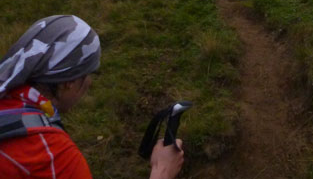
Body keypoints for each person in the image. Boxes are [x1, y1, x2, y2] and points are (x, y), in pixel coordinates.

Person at [0, 15, 184, 179]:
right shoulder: (53, 157)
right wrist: (162, 170)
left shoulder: (7, 98)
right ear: (68, 82)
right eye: (88, 73)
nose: (90, 82)